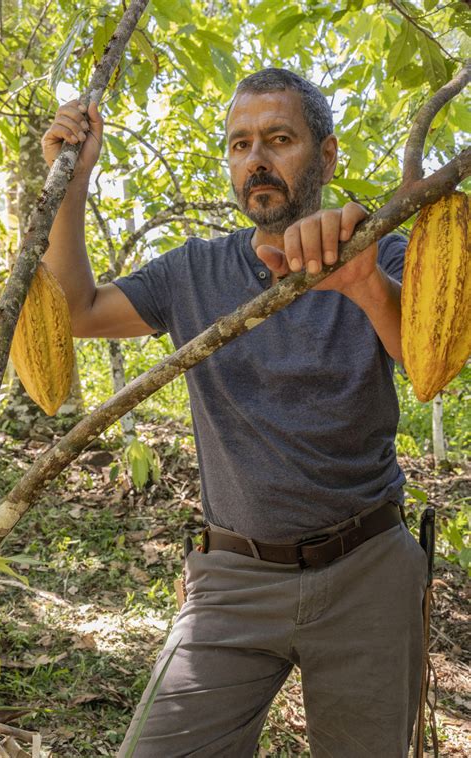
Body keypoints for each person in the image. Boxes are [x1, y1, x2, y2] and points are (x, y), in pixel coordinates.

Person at [41, 68, 427, 758]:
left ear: (327, 156)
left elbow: (429, 367)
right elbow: (75, 311)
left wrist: (364, 281)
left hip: (368, 568)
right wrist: (72, 186)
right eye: (239, 144)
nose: (256, 160)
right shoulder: (193, 272)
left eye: (279, 139)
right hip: (232, 579)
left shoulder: (382, 248)